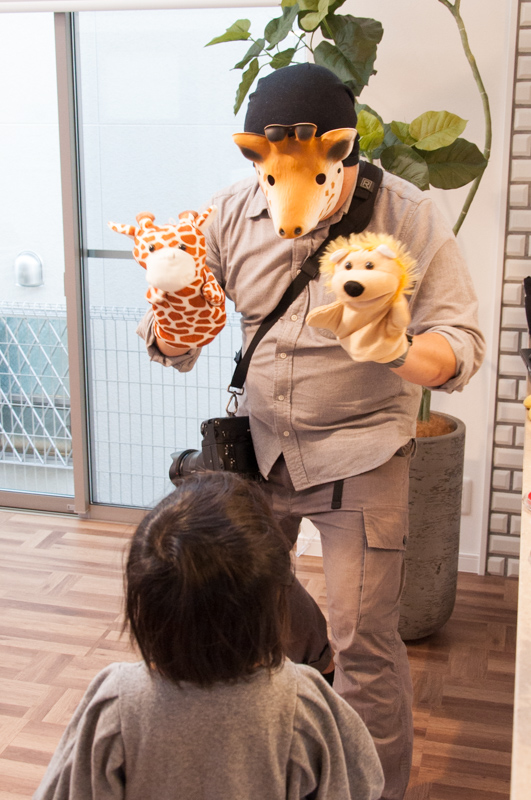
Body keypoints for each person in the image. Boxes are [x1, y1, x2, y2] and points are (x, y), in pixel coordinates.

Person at [137, 64, 485, 800]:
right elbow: (181, 334)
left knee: (366, 642)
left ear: (344, 150)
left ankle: (371, 791)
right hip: (258, 447)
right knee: (246, 614)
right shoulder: (232, 211)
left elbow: (460, 348)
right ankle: (276, 750)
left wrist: (393, 347)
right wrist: (173, 322)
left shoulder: (407, 216)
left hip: (361, 449)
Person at [33, 472, 384, 800]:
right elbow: (362, 782)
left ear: (142, 609)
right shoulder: (303, 705)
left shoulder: (117, 702)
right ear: (277, 603)